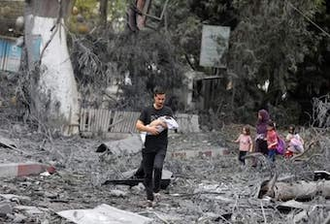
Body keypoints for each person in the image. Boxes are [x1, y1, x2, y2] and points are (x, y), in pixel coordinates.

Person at [136, 87, 173, 207]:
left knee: (158, 167)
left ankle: (156, 191)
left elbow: (169, 124)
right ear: (154, 97)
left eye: (163, 99)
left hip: (161, 146)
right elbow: (138, 125)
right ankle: (149, 199)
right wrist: (150, 128)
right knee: (147, 174)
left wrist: (161, 124)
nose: (161, 101)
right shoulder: (147, 110)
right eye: (159, 99)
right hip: (147, 146)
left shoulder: (167, 111)